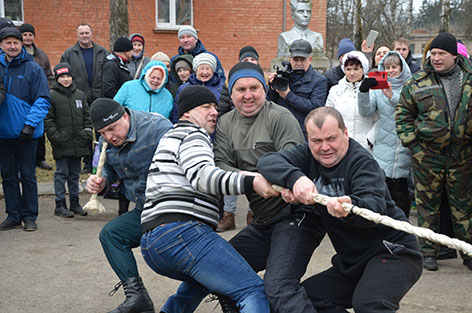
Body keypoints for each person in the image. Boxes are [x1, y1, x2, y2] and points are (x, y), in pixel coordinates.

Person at [257, 106, 423, 312]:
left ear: (345, 133)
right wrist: (295, 179)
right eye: (316, 141)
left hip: (393, 252)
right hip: (353, 262)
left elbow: (374, 204)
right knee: (310, 297)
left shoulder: (362, 162)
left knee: (369, 304)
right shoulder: (307, 155)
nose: (324, 147)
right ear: (308, 139)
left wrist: (350, 207)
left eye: (331, 139)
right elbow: (267, 161)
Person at [141, 85, 276, 313]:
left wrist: (252, 175)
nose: (214, 111)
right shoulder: (193, 134)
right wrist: (251, 183)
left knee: (199, 282)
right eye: (206, 107)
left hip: (153, 243)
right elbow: (202, 176)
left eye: (215, 106)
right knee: (252, 291)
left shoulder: (171, 137)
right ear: (186, 113)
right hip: (183, 233)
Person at [214, 62, 325, 313]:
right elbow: (220, 167)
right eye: (240, 89)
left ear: (265, 88)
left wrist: (258, 178)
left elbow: (292, 164)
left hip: (295, 216)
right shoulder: (225, 124)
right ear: (230, 93)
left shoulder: (280, 117)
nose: (248, 95)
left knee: (279, 287)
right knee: (217, 268)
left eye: (255, 87)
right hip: (263, 221)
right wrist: (253, 179)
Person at [86, 98, 172, 312]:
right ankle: (138, 298)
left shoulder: (157, 128)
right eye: (102, 133)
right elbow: (109, 169)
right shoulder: (108, 142)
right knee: (111, 234)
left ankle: (227, 292)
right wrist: (102, 181)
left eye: (112, 129)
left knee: (176, 256)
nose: (108, 137)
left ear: (124, 115)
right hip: (145, 210)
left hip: (173, 209)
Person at [396, 32, 472, 271]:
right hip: (427, 157)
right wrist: (414, 146)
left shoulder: (469, 80)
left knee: (464, 209)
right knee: (427, 208)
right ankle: (428, 253)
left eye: (442, 54)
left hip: (462, 157)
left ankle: (468, 253)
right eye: (433, 54)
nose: (436, 58)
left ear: (454, 56)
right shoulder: (417, 82)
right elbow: (403, 116)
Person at [0, 27, 50, 232]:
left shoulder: (34, 69)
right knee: (8, 176)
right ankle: (13, 215)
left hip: (26, 133)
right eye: (8, 42)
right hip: (3, 133)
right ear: (1, 45)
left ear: (22, 44)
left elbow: (43, 100)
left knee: (28, 176)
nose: (12, 46)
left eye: (15, 42)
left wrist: (30, 124)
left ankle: (30, 216)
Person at [357, 51, 412, 217]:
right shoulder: (378, 90)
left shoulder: (410, 87)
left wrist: (392, 96)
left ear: (402, 68)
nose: (390, 70)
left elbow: (411, 110)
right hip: (382, 151)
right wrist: (363, 92)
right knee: (384, 200)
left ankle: (404, 236)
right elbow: (365, 112)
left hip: (405, 151)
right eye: (387, 67)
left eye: (394, 67)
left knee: (403, 200)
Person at [216, 46, 261, 232]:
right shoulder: (230, 86)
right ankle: (229, 214)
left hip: (257, 137)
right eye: (245, 61)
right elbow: (225, 106)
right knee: (229, 172)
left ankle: (254, 213)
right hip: (235, 134)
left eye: (252, 61)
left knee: (257, 172)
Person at [44, 63, 92, 218]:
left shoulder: (80, 95)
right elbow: (48, 119)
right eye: (62, 77)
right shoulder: (52, 95)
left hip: (78, 142)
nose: (65, 79)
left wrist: (87, 133)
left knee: (74, 174)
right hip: (61, 143)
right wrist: (55, 137)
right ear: (57, 79)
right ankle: (60, 204)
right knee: (61, 173)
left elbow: (86, 116)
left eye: (68, 76)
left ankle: (75, 202)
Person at [60, 23, 108, 174]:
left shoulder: (103, 52)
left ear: (91, 34)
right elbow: (64, 75)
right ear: (77, 35)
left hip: (99, 97)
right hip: (79, 97)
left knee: (102, 130)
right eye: (81, 33)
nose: (84, 36)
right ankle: (87, 162)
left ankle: (102, 161)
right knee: (85, 131)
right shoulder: (69, 54)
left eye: (87, 33)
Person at [268, 39, 327, 135]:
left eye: (302, 60)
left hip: (304, 132)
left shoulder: (319, 80)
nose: (299, 63)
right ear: (290, 59)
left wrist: (288, 95)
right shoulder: (282, 76)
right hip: (280, 130)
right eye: (296, 60)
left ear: (310, 59)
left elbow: (315, 108)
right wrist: (272, 88)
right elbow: (268, 103)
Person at [19, 23, 54, 171]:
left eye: (30, 35)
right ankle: (27, 159)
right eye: (24, 35)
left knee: (40, 129)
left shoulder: (41, 55)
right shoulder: (16, 53)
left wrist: (47, 91)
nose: (27, 37)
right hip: (22, 98)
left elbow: (49, 76)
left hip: (39, 98)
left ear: (34, 36)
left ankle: (40, 158)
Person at [325, 51, 375, 151]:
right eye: (348, 69)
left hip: (365, 147)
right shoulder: (335, 90)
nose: (352, 73)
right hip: (341, 145)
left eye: (356, 69)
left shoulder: (373, 90)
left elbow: (380, 118)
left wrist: (370, 139)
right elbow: (328, 116)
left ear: (363, 69)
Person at [172, 52, 225, 123]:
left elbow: (225, 111)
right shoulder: (184, 88)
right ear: (196, 70)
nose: (205, 72)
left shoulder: (221, 88)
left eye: (208, 69)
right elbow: (177, 112)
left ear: (213, 70)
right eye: (202, 68)